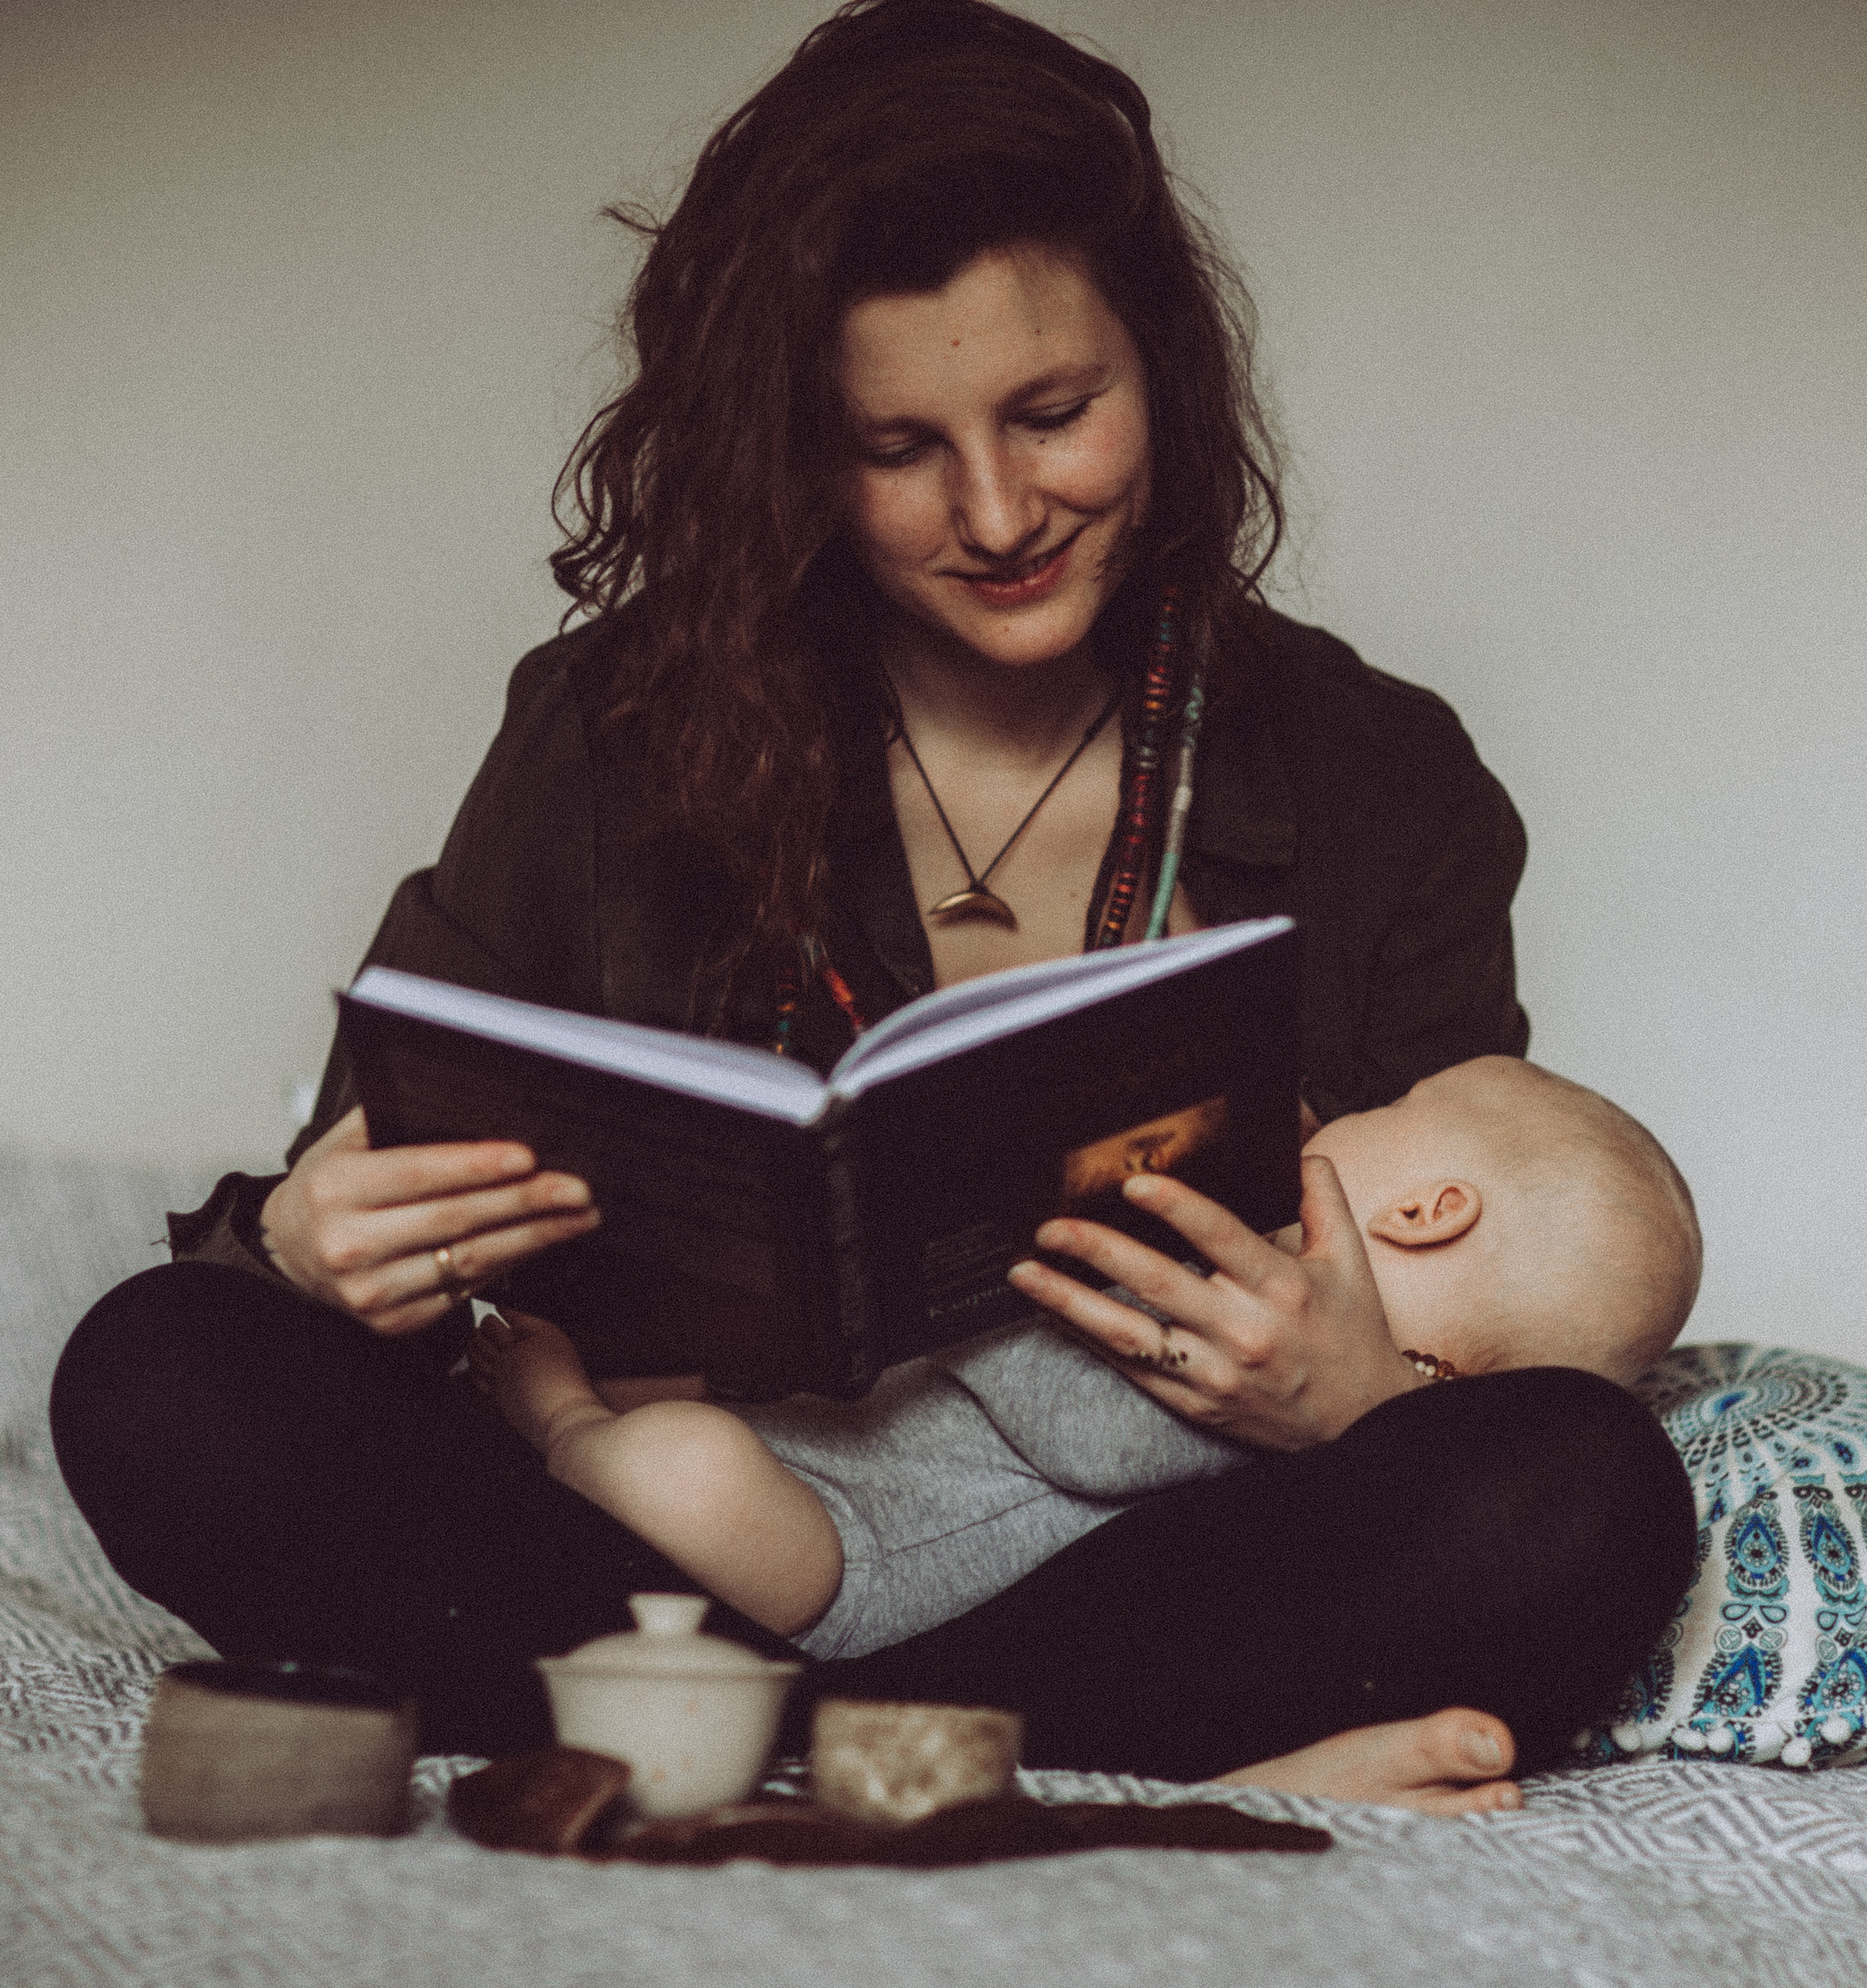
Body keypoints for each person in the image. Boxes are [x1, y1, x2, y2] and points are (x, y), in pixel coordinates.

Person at [50, 0, 1697, 1814]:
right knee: (162, 1372)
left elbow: (1485, 1282)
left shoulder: (1380, 775)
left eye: (1053, 413)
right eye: (895, 444)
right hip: (657, 1541)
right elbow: (357, 1193)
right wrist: (311, 1249)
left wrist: (1354, 1398)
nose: (996, 511)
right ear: (790, 456)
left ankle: (751, 1754)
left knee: (1584, 1484)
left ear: (1163, 370)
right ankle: (1039, 1763)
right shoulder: (608, 731)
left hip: (1106, 1583)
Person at [469, 1057, 1702, 1666]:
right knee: (684, 1410)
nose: (1337, 1118)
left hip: (847, 1558)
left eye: (1384, 1108)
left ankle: (557, 1423)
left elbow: (1085, 1426)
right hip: (834, 1450)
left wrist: (1003, 1238)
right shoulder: (1246, 1333)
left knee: (682, 1466)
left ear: (1427, 1212)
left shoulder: (1247, 1387)